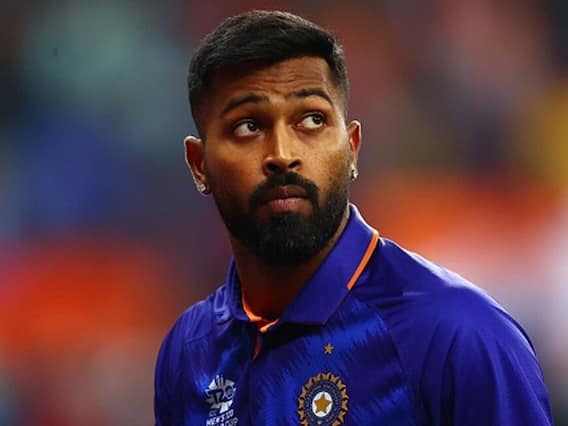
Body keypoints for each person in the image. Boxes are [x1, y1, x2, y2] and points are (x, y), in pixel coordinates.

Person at [154, 10, 552, 426]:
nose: (283, 155)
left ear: (352, 149)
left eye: (312, 120)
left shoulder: (457, 335)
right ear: (199, 164)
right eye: (248, 126)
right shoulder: (188, 351)